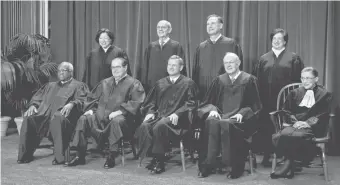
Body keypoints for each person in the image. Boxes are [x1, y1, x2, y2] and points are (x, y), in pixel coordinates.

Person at [66, 57, 145, 169]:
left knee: (117, 121)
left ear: (125, 67)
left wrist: (120, 111)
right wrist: (91, 109)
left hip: (124, 120)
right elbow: (92, 98)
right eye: (113, 67)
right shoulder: (105, 82)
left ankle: (111, 155)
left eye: (118, 67)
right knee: (84, 118)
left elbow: (136, 102)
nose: (115, 70)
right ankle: (80, 155)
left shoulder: (134, 83)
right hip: (100, 117)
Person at [197, 52, 262, 179]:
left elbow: (256, 105)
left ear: (238, 63)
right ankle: (208, 165)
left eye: (231, 62)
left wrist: (242, 113)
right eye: (226, 63)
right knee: (211, 121)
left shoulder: (249, 80)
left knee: (227, 124)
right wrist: (212, 109)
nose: (228, 65)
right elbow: (207, 101)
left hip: (240, 119)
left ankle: (234, 166)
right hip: (220, 115)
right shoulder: (219, 80)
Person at [135, 55, 199, 174]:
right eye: (169, 64)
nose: (171, 67)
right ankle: (153, 156)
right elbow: (151, 102)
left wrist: (178, 113)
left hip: (178, 121)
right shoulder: (160, 83)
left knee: (160, 125)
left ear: (181, 67)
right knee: (145, 125)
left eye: (174, 65)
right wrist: (150, 112)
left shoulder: (188, 83)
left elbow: (192, 103)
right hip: (160, 116)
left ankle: (159, 160)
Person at [17, 62, 89, 165]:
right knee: (29, 119)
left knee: (58, 117)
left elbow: (84, 100)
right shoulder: (50, 86)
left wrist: (72, 103)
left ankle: (60, 157)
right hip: (44, 117)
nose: (60, 73)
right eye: (59, 71)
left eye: (63, 70)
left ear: (71, 72)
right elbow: (38, 98)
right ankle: (25, 155)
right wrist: (33, 105)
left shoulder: (78, 86)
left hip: (65, 119)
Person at [252, 28, 304, 166]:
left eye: (279, 39)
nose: (276, 41)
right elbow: (256, 79)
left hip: (286, 99)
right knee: (267, 126)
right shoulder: (263, 58)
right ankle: (267, 155)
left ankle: (287, 157)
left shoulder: (293, 58)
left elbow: (299, 82)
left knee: (285, 126)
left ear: (285, 41)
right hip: (266, 98)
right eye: (274, 38)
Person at [270, 67, 333, 179]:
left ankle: (289, 165)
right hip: (295, 124)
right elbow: (286, 110)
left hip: (314, 126)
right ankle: (291, 165)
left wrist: (307, 123)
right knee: (284, 134)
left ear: (316, 79)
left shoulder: (325, 94)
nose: (305, 81)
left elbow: (324, 113)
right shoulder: (294, 93)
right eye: (303, 78)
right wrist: (296, 121)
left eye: (308, 78)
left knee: (297, 135)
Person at [192, 14, 243, 99]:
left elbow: (239, 68)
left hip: (226, 90)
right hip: (204, 91)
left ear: (221, 26)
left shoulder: (231, 44)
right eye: (208, 24)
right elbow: (195, 72)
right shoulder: (201, 47)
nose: (210, 26)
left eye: (213, 23)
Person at [139, 20, 186, 93]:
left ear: (169, 30)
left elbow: (181, 68)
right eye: (158, 27)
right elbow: (145, 67)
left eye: (163, 27)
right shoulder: (151, 46)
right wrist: (144, 85)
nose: (160, 29)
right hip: (152, 87)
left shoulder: (176, 46)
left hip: (170, 87)